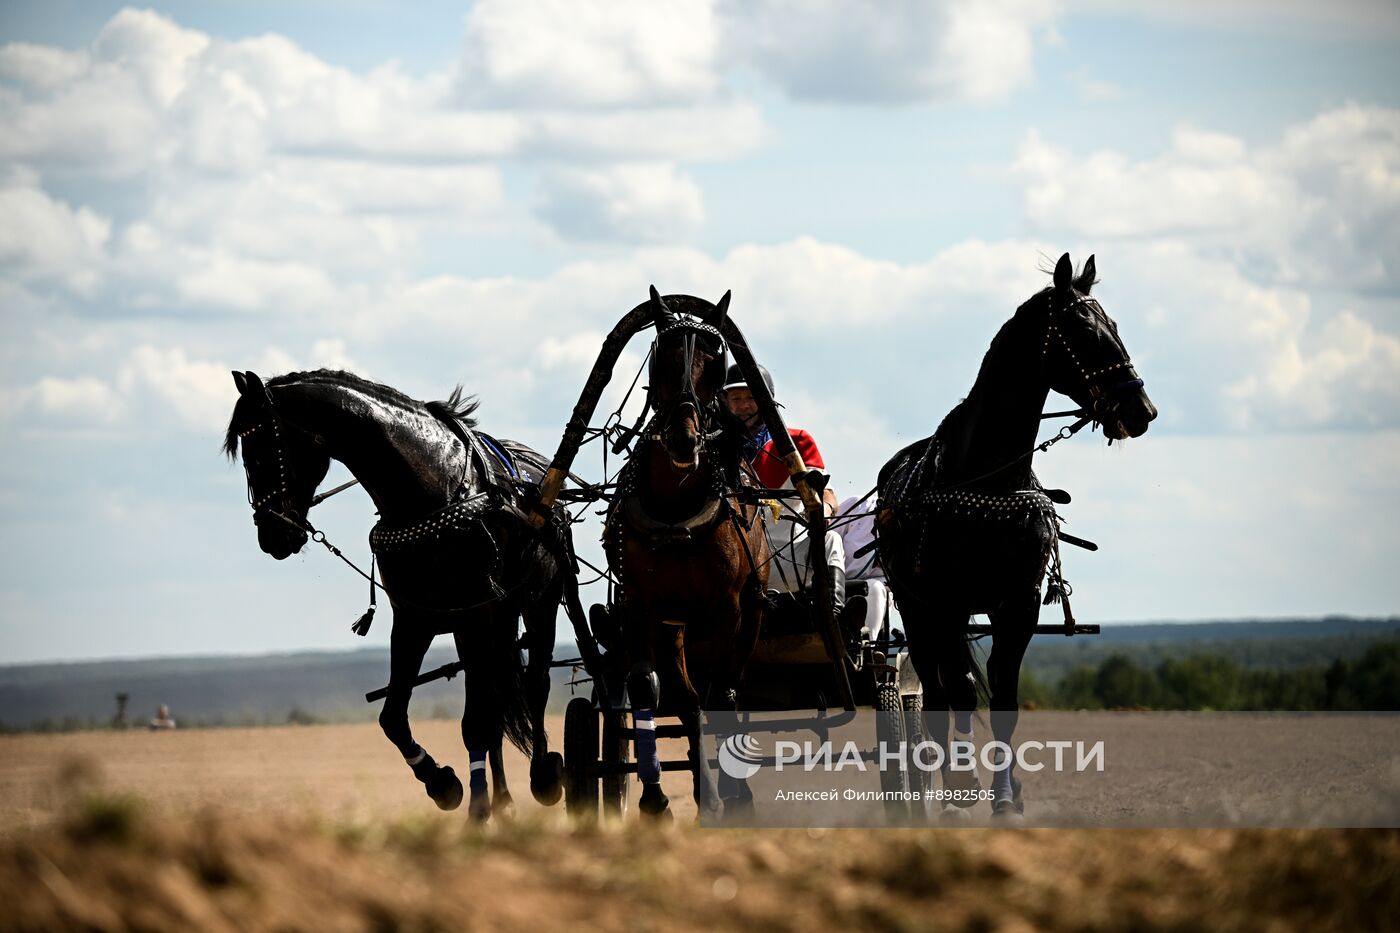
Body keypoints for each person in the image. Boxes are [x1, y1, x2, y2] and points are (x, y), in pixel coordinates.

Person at [722, 364, 846, 613]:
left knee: (830, 540)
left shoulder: (798, 441)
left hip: (789, 560)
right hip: (736, 567)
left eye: (751, 398)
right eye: (737, 398)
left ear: (767, 401)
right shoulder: (715, 451)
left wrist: (826, 512)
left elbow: (826, 493)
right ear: (725, 402)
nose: (744, 406)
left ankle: (834, 617)